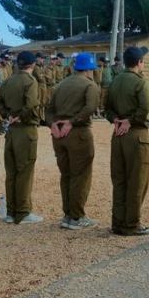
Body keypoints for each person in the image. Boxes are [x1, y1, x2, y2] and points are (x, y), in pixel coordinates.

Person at [47, 52, 100, 230]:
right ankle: (77, 217)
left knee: (66, 174)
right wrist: (72, 121)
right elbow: (90, 107)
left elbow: (49, 109)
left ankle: (68, 215)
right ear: (90, 69)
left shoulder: (61, 85)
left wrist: (52, 124)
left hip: (58, 134)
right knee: (81, 175)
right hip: (78, 133)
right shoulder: (90, 85)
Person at [105, 46, 149, 236]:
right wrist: (130, 121)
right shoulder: (140, 82)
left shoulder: (115, 80)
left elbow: (106, 107)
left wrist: (116, 120)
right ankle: (132, 224)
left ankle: (118, 223)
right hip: (136, 135)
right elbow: (145, 106)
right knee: (137, 180)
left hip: (118, 135)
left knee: (119, 180)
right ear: (139, 62)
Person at [0, 51, 44, 225]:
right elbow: (31, 104)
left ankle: (11, 212)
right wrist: (20, 116)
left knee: (11, 172)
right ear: (33, 65)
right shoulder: (30, 81)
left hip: (11, 130)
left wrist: (8, 115)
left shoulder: (8, 80)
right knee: (24, 171)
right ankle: (23, 212)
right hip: (25, 129)